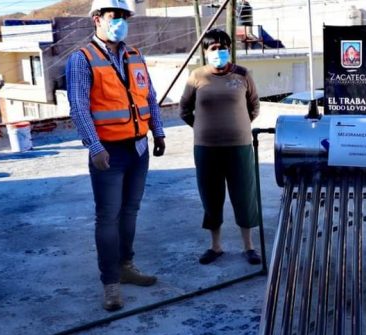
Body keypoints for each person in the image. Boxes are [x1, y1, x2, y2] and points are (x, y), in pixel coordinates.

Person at [66, 0, 166, 311]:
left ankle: (126, 265)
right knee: (107, 217)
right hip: (108, 152)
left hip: (139, 148)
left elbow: (149, 95)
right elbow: (79, 106)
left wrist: (158, 132)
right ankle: (110, 283)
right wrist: (94, 147)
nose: (121, 21)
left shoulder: (135, 55)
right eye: (114, 16)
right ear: (97, 19)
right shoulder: (82, 59)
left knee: (131, 211)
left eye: (124, 16)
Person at [179, 29, 262, 266]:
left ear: (229, 49)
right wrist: (201, 127)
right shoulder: (197, 76)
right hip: (206, 148)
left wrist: (241, 125)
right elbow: (184, 109)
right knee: (211, 196)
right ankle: (215, 247)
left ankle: (249, 247)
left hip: (239, 146)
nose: (219, 52)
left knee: (244, 195)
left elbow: (254, 105)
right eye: (213, 48)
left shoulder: (243, 74)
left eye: (223, 47)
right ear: (205, 52)